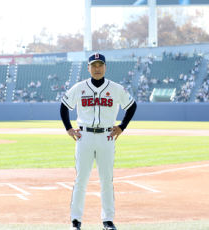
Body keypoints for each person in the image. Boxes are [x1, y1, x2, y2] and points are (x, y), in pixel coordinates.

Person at [60, 53, 137, 230]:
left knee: (106, 180)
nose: (97, 69)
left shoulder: (116, 88)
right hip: (84, 136)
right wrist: (68, 128)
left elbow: (132, 105)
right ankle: (75, 221)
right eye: (93, 65)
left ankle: (108, 221)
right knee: (81, 180)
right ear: (88, 68)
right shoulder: (80, 88)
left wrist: (122, 126)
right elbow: (64, 106)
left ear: (105, 67)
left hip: (106, 136)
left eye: (100, 65)